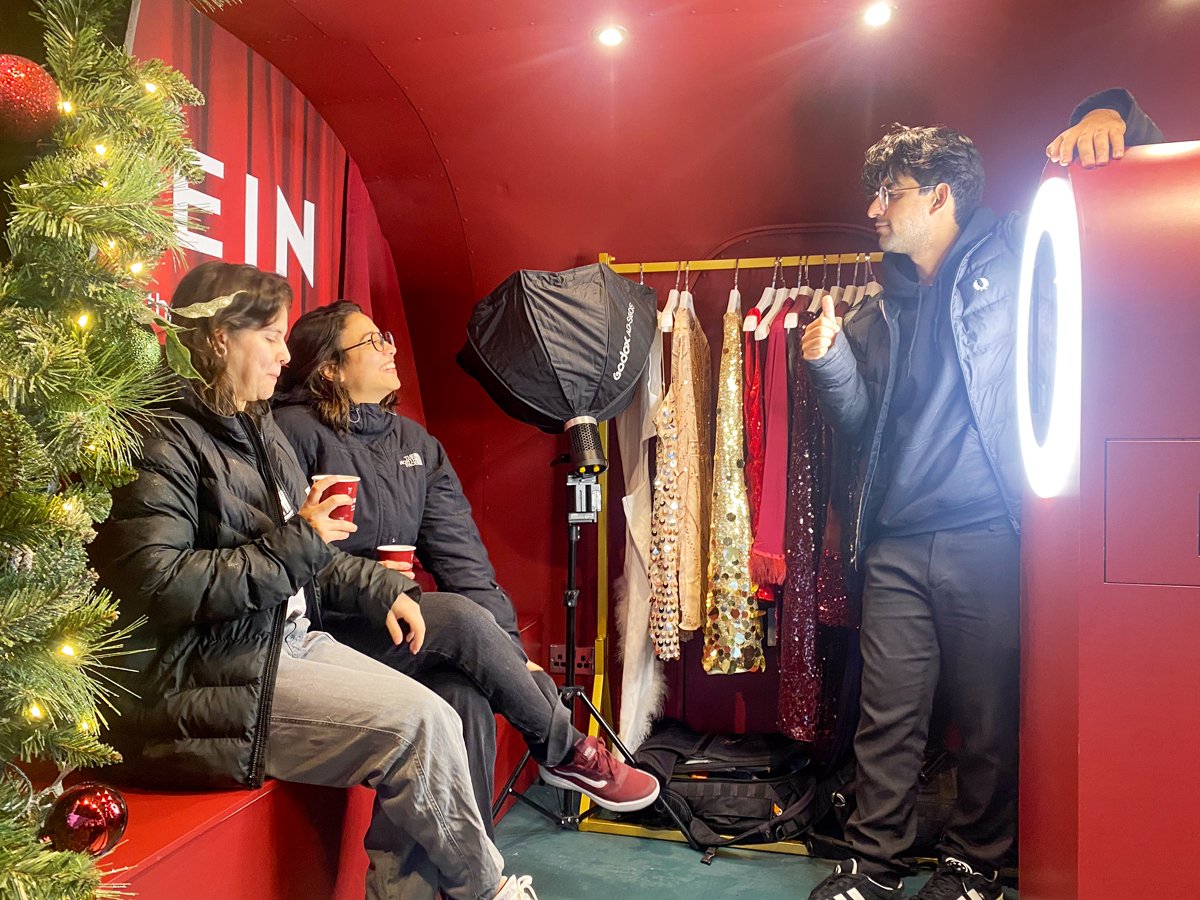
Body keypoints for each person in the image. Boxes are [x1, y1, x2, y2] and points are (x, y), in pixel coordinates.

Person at [799, 90, 1162, 900]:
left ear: (939, 195)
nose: (872, 209)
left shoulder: (1017, 254)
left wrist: (1112, 115)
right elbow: (862, 425)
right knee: (887, 722)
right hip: (895, 543)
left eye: (888, 192)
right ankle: (873, 866)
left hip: (991, 533)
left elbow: (1112, 216)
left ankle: (976, 864)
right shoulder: (881, 305)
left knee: (991, 717)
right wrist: (828, 363)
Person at [89, 262, 537, 900]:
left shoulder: (258, 423)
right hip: (210, 675)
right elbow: (158, 584)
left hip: (283, 642)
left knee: (439, 708)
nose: (283, 354)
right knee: (419, 727)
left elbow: (311, 552)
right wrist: (297, 541)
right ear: (219, 338)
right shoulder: (163, 436)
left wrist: (384, 590)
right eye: (270, 337)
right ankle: (486, 890)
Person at [271, 300, 660, 840]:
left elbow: (464, 560)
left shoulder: (416, 445)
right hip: (325, 633)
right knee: (453, 615)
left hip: (403, 632)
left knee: (466, 697)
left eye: (386, 335)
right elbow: (290, 553)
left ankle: (466, 882)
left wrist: (507, 654)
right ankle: (566, 749)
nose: (390, 348)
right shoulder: (288, 433)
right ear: (330, 368)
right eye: (371, 342)